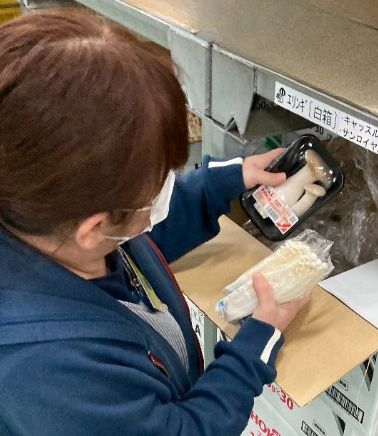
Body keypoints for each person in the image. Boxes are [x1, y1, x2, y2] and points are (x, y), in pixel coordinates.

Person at [0, 10, 310, 436]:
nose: (165, 191)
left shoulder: (38, 211)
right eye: (157, 186)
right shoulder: (52, 376)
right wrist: (257, 344)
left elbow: (139, 239)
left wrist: (221, 182)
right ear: (94, 227)